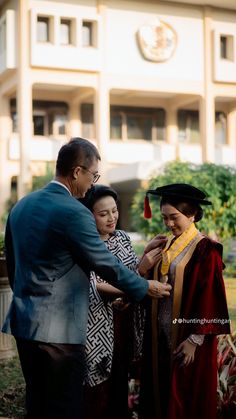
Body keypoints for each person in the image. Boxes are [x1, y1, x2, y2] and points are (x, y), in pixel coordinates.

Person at [2, 137, 171, 419]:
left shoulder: (21, 206)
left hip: (23, 324)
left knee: (38, 403)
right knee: (66, 407)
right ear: (77, 171)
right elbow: (104, 264)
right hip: (60, 334)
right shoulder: (75, 212)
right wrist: (144, 286)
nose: (93, 183)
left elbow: (13, 263)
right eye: (93, 175)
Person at [139, 183, 230, 419]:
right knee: (160, 394)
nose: (169, 224)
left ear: (192, 215)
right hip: (160, 334)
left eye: (174, 217)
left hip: (188, 339)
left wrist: (194, 339)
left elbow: (210, 296)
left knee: (186, 398)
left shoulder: (206, 250)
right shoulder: (165, 244)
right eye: (164, 218)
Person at [80, 185, 163, 419]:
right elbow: (96, 285)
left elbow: (129, 271)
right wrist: (139, 277)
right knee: (98, 386)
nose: (111, 218)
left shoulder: (123, 238)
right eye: (103, 213)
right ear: (89, 215)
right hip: (99, 324)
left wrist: (144, 257)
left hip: (124, 322)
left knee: (120, 377)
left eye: (114, 211)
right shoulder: (87, 244)